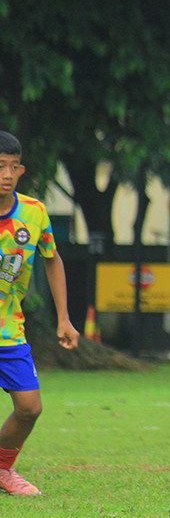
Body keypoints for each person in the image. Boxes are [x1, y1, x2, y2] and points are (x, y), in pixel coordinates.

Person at [0, 130, 80, 496]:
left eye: (12, 167)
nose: (6, 174)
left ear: (21, 171)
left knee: (30, 408)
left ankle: (2, 469)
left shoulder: (33, 212)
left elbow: (52, 259)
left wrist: (63, 317)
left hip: (8, 328)